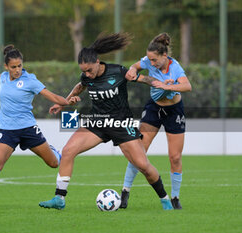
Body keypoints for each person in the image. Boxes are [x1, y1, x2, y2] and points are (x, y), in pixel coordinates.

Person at [38, 32, 173, 211]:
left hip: (121, 125)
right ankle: (59, 198)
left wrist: (163, 83)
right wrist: (64, 102)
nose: (86, 74)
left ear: (97, 62)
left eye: (89, 70)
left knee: (143, 165)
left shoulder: (118, 71)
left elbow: (145, 79)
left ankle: (165, 199)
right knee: (68, 150)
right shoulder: (87, 76)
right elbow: (80, 86)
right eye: (83, 71)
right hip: (97, 122)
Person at [0, 44, 69, 213]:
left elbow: (51, 96)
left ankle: (55, 152)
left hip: (28, 129)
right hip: (6, 130)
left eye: (19, 66)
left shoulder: (30, 80)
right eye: (13, 67)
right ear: (6, 67)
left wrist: (67, 101)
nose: (17, 70)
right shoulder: (3, 77)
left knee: (53, 163)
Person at [121, 33, 192, 210]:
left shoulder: (174, 67)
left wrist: (168, 86)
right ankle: (125, 192)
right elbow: (136, 67)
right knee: (139, 151)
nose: (151, 64)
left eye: (154, 60)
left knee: (175, 157)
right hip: (154, 109)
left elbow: (187, 86)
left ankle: (175, 197)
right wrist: (132, 69)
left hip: (174, 111)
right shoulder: (148, 60)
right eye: (150, 60)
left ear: (164, 56)